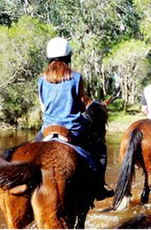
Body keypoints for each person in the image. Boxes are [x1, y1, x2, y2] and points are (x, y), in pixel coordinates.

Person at [35, 37, 114, 201]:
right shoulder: (76, 77)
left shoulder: (41, 79)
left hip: (48, 128)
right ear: (68, 56)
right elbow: (80, 105)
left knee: (31, 148)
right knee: (99, 150)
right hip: (72, 128)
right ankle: (99, 186)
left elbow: (43, 106)